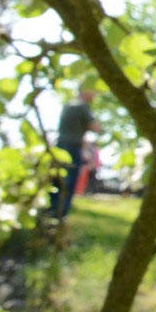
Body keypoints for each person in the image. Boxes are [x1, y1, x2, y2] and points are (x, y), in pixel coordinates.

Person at [50, 87, 98, 220]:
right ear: (85, 90)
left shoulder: (69, 104)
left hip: (60, 144)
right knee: (69, 182)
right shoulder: (83, 106)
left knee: (57, 178)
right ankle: (61, 214)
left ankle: (51, 209)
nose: (95, 93)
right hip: (72, 148)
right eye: (93, 90)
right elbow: (95, 127)